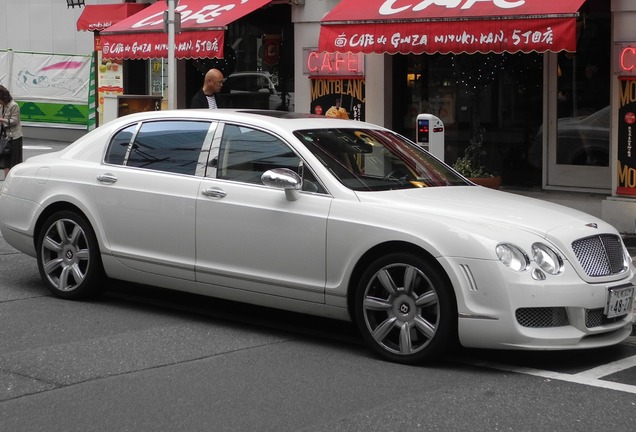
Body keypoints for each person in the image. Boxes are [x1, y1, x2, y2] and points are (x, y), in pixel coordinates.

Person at [0, 85, 23, 177]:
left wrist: (2, 120)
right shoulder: (2, 106)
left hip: (15, 137)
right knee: (6, 161)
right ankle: (6, 182)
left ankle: (13, 182)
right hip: (5, 137)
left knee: (14, 162)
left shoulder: (14, 105)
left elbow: (14, 121)